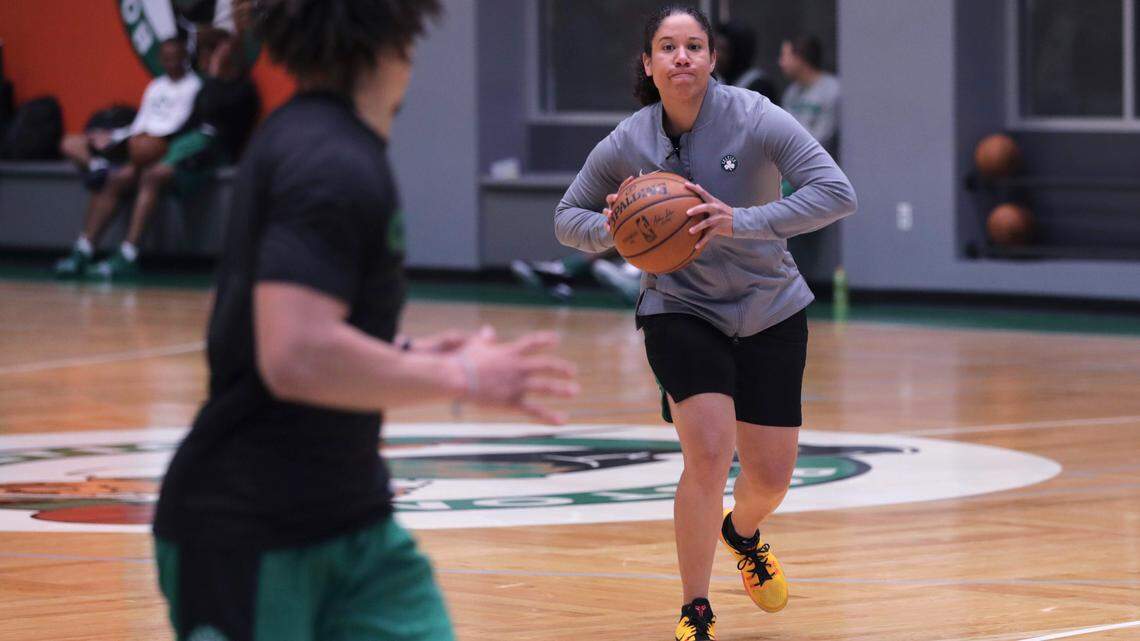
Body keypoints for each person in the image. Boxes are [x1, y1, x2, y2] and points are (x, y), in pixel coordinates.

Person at [152, 3, 578, 641]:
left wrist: (407, 351)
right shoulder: (328, 160)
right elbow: (293, 354)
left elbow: (278, 321)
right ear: (392, 40)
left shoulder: (319, 141)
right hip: (252, 527)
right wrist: (462, 376)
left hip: (352, 521)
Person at [554, 6, 856, 640]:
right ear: (648, 64)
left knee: (769, 478)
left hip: (769, 304)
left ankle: (742, 533)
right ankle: (695, 608)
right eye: (668, 47)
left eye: (694, 45)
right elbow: (566, 218)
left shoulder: (756, 116)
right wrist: (611, 229)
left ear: (713, 59)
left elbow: (836, 192)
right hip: (679, 306)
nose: (682, 57)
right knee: (710, 453)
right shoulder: (628, 140)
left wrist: (739, 220)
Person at [54, 37, 202, 279]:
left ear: (185, 58)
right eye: (166, 58)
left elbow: (175, 126)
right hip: (138, 144)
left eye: (175, 58)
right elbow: (140, 123)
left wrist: (140, 143)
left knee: (136, 161)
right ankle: (83, 249)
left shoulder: (194, 86)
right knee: (83, 151)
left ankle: (128, 254)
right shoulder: (156, 86)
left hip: (164, 147)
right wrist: (115, 136)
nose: (171, 63)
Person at [779, 35, 839, 157]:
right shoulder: (791, 92)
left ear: (800, 59)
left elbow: (824, 136)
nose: (781, 63)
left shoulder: (832, 90)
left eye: (785, 56)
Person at [715, 20, 779, 105]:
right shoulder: (717, 84)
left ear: (737, 54)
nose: (714, 54)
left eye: (721, 49)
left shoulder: (760, 88)